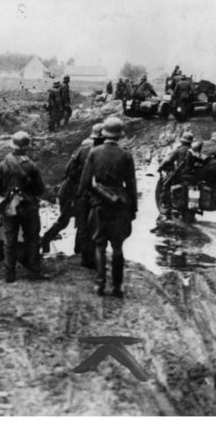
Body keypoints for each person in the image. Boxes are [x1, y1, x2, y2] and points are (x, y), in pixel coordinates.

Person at [78, 117, 137, 298]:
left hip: (99, 204)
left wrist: (86, 199)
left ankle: (100, 284)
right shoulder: (126, 155)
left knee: (100, 245)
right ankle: (117, 287)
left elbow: (85, 183)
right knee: (118, 247)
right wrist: (133, 208)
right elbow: (132, 184)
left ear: (104, 133)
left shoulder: (94, 153)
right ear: (120, 135)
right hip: (120, 205)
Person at [42, 123, 105, 268]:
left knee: (83, 221)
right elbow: (70, 172)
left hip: (78, 190)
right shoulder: (86, 151)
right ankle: (45, 240)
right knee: (66, 220)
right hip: (71, 190)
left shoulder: (85, 151)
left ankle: (78, 251)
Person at [0, 131, 47, 283]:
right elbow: (40, 190)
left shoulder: (3, 164)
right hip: (29, 208)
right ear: (27, 148)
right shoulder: (32, 166)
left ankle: (10, 274)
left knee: (10, 240)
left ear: (12, 146)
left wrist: (2, 200)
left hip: (10, 207)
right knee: (33, 239)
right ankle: (34, 271)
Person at [158, 131, 195, 219]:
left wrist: (160, 167)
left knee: (166, 185)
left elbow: (168, 160)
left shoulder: (179, 150)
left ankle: (166, 205)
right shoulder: (193, 151)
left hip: (181, 175)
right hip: (193, 176)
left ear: (182, 141)